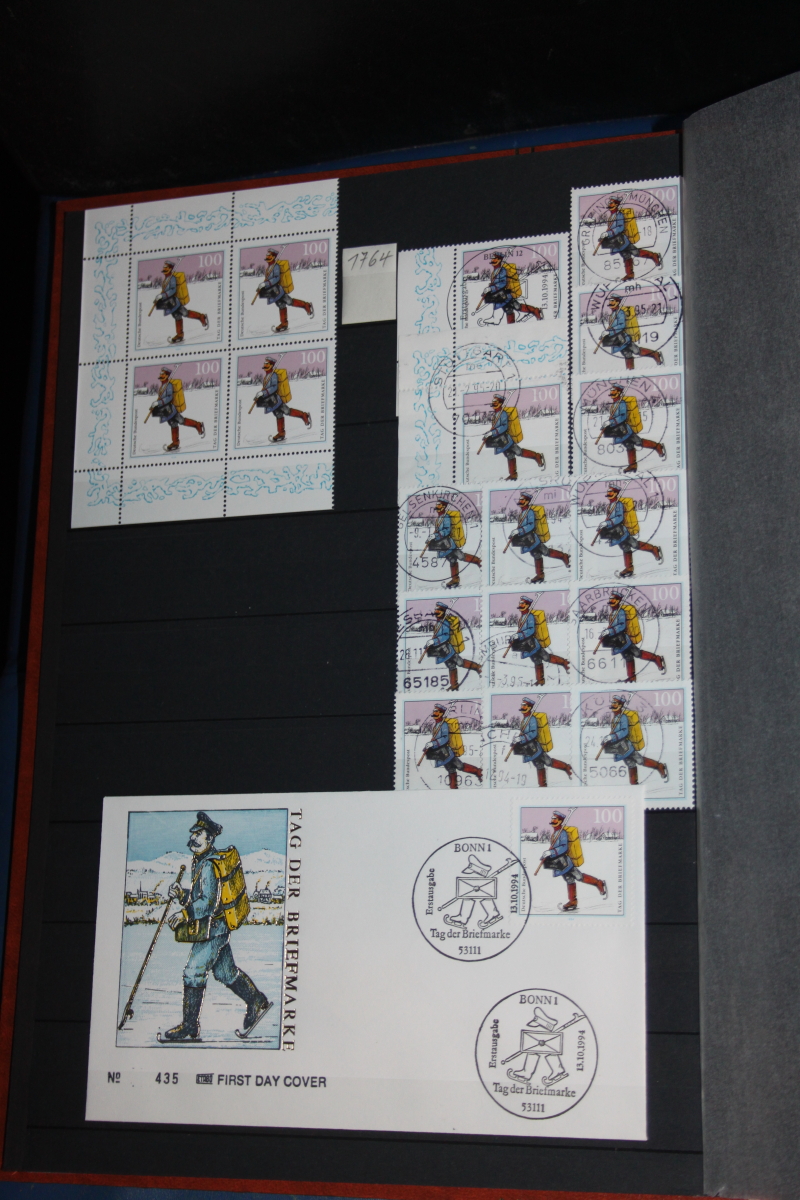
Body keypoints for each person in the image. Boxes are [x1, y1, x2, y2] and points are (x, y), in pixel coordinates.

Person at [161, 812, 271, 1041]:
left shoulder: (209, 865)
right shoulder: (201, 861)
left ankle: (189, 1026)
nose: (193, 838)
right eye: (193, 834)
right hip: (218, 928)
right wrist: (182, 895)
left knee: (193, 972)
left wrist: (185, 914)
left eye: (198, 834)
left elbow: (208, 904)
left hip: (213, 930)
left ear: (210, 839)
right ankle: (256, 1000)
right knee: (225, 972)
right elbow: (203, 897)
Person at [539, 809, 606, 912]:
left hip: (565, 862)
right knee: (569, 879)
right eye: (552, 818)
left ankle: (598, 883)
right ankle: (572, 901)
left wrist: (551, 852)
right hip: (560, 863)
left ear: (560, 821)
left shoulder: (562, 833)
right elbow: (554, 847)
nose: (552, 820)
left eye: (555, 819)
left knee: (579, 876)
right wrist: (546, 855)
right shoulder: (555, 833)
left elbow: (564, 847)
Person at [599, 695, 668, 785]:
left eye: (615, 704)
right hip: (620, 748)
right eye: (612, 704)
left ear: (620, 706)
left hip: (626, 746)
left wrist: (612, 737)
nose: (613, 706)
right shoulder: (615, 719)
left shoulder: (623, 717)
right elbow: (615, 733)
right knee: (630, 764)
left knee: (640, 760)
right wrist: (607, 739)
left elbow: (624, 731)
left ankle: (660, 766)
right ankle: (634, 783)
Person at [596, 485, 662, 578]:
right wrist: (603, 526)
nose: (609, 494)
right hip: (615, 533)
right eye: (608, 492)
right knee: (625, 548)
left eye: (611, 492)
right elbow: (610, 519)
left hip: (621, 532)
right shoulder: (610, 506)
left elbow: (619, 518)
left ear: (616, 494)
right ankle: (629, 568)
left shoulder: (618, 504)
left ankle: (653, 549)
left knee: (634, 544)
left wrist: (607, 523)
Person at [597, 592, 666, 682]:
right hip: (618, 642)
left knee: (637, 653)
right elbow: (612, 627)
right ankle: (631, 678)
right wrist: (605, 633)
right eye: (610, 601)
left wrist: (609, 631)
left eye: (613, 601)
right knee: (628, 657)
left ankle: (657, 658)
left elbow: (622, 626)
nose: (611, 603)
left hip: (624, 640)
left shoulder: (620, 612)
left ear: (618, 601)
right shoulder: (613, 613)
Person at [599, 385, 666, 473]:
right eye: (611, 394)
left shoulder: (621, 403)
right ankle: (632, 465)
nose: (612, 395)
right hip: (619, 432)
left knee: (638, 442)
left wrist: (611, 422)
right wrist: (606, 425)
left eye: (614, 393)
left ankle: (658, 446)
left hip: (625, 431)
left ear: (619, 393)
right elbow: (613, 418)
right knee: (629, 446)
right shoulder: (613, 405)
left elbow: (623, 417)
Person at [506, 595, 570, 686]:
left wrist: (519, 635)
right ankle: (540, 681)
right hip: (527, 646)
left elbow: (531, 630)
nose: (520, 605)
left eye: (522, 603)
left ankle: (565, 662)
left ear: (527, 605)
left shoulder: (529, 616)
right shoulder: (522, 617)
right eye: (520, 603)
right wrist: (515, 637)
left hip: (533, 644)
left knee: (546, 657)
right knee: (536, 661)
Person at [508, 492, 570, 584]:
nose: (520, 501)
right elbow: (521, 526)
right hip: (527, 540)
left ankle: (563, 556)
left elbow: (531, 525)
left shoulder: (529, 512)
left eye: (522, 500)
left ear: (527, 501)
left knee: (545, 551)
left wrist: (519, 531)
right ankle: (540, 575)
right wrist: (514, 533)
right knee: (536, 555)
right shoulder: (522, 513)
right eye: (520, 499)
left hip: (533, 539)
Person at [510, 697, 573, 787]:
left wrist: (521, 738)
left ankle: (566, 767)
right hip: (529, 750)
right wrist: (516, 741)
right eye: (522, 705)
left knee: (548, 762)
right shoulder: (524, 720)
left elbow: (533, 733)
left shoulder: (532, 719)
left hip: (535, 748)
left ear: (529, 707)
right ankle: (542, 785)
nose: (522, 707)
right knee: (538, 765)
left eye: (524, 705)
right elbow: (524, 733)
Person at [597, 197, 662, 280]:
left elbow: (620, 228)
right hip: (617, 243)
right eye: (609, 203)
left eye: (611, 203)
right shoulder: (611, 217)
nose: (609, 204)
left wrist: (608, 233)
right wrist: (604, 236)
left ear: (616, 205)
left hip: (622, 241)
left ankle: (654, 255)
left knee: (636, 252)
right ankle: (630, 274)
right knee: (626, 256)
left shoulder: (619, 215)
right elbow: (611, 230)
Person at [481, 395, 545, 480]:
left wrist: (492, 432)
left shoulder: (503, 414)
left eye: (495, 403)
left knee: (518, 452)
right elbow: (495, 428)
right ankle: (513, 475)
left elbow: (504, 427)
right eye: (493, 403)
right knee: (509, 455)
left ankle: (537, 456)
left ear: (500, 404)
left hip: (506, 440)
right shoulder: (496, 415)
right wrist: (488, 434)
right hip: (501, 441)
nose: (493, 405)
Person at [421, 703, 483, 789]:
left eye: (436, 711)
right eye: (434, 711)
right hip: (441, 754)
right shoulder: (436, 725)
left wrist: (433, 743)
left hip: (446, 752)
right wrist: (429, 746)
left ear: (441, 713)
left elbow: (445, 738)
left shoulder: (443, 725)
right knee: (451, 769)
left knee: (459, 766)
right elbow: (436, 738)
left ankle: (478, 771)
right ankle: (453, 787)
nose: (434, 713)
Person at [422, 603, 482, 692]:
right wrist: (429, 644)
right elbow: (437, 637)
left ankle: (477, 667)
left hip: (448, 650)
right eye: (436, 611)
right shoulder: (438, 624)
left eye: (438, 611)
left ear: (443, 612)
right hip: (442, 652)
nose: (436, 613)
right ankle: (454, 685)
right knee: (451, 666)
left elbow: (446, 636)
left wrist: (434, 641)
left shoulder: (445, 623)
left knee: (460, 662)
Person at [426, 499, 482, 589]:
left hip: (449, 544)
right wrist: (432, 538)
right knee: (452, 560)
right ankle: (455, 579)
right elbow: (438, 531)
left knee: (460, 556)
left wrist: (435, 535)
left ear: (443, 507)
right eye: (437, 505)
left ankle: (479, 561)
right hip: (444, 545)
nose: (437, 507)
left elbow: (447, 531)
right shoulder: (439, 518)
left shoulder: (446, 517)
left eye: (439, 505)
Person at [253, 356, 312, 443]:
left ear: (271, 365)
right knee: (278, 414)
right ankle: (281, 433)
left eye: (267, 364)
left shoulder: (273, 375)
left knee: (286, 411)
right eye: (264, 364)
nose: (265, 365)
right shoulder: (266, 377)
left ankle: (304, 415)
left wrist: (263, 393)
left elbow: (274, 387)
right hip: (271, 402)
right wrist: (259, 395)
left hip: (275, 400)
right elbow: (266, 388)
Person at [598, 295, 664, 370]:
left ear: (617, 303)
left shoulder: (620, 313)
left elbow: (622, 325)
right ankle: (630, 371)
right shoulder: (612, 315)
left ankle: (655, 354)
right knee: (627, 354)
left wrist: (610, 332)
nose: (611, 306)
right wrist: (604, 334)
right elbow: (612, 327)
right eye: (610, 304)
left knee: (636, 350)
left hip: (623, 339)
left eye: (613, 303)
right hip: (617, 340)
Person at [256, 249, 314, 333]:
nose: (267, 257)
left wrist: (266, 283)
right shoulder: (269, 268)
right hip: (273, 292)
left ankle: (306, 305)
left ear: (273, 257)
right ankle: (284, 324)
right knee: (281, 305)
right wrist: (262, 286)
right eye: (267, 256)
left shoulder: (276, 266)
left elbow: (276, 278)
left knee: (289, 301)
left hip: (278, 291)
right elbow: (268, 279)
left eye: (269, 256)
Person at [149, 367, 205, 453]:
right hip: (166, 411)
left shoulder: (168, 385)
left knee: (181, 421)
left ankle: (198, 425)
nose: (160, 375)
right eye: (160, 374)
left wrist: (158, 403)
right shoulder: (163, 386)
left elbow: (169, 397)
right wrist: (154, 405)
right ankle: (175, 442)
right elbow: (161, 397)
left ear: (166, 376)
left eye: (162, 374)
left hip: (171, 410)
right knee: (173, 424)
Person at [478, 250, 543, 324]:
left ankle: (535, 311)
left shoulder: (502, 271)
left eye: (495, 259)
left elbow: (503, 283)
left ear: (499, 260)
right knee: (510, 309)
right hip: (500, 295)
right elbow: (495, 283)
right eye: (492, 259)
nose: (492, 260)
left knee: (515, 307)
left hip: (505, 295)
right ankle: (512, 324)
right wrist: (487, 291)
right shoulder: (495, 272)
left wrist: (491, 288)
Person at [442, 854, 502, 930]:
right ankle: (463, 917)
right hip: (480, 884)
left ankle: (492, 913)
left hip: (483, 884)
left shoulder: (483, 877)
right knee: (468, 896)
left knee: (485, 894)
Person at [154, 261, 208, 345]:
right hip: (170, 304)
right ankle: (179, 335)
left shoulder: (172, 278)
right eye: (164, 269)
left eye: (166, 268)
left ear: (170, 269)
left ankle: (201, 316)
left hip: (174, 302)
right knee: (177, 317)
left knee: (185, 313)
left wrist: (162, 295)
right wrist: (159, 298)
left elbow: (173, 290)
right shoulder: (166, 279)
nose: (164, 270)